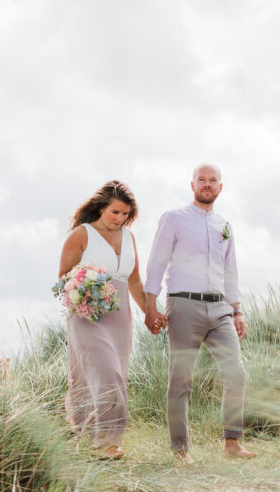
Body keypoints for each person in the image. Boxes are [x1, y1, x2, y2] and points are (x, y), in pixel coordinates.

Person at [144, 163, 255, 463]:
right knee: (181, 379)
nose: (207, 184)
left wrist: (237, 310)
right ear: (191, 185)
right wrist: (150, 304)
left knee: (236, 373)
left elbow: (230, 271)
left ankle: (232, 444)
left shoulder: (225, 225)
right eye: (201, 180)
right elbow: (156, 262)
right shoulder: (173, 219)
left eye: (213, 180)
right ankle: (181, 451)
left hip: (220, 308)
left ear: (221, 188)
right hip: (183, 304)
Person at [58, 181, 159, 460]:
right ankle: (104, 442)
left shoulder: (129, 238)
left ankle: (94, 441)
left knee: (117, 374)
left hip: (120, 316)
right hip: (87, 314)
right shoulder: (82, 235)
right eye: (115, 212)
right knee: (105, 373)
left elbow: (135, 281)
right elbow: (64, 277)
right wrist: (87, 287)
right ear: (102, 207)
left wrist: (150, 312)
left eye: (125, 214)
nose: (119, 218)